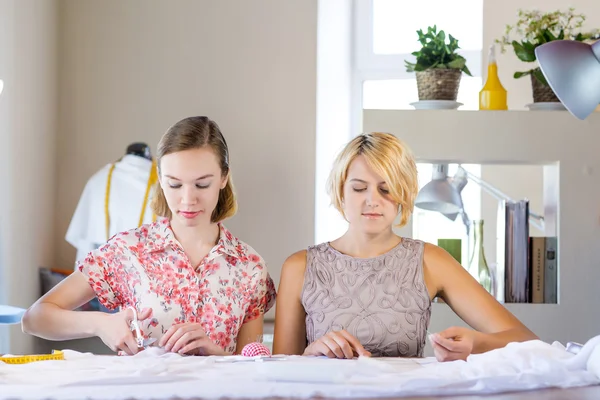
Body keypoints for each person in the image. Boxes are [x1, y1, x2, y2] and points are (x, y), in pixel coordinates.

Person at [23, 116, 276, 356]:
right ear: (161, 180)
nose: (188, 199)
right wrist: (99, 323)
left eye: (202, 184)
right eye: (175, 184)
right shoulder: (129, 250)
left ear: (223, 177)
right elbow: (35, 318)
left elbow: (252, 369)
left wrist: (217, 356)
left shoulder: (249, 266)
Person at [272, 132, 537, 361]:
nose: (372, 200)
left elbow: (525, 340)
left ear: (404, 194)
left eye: (386, 190)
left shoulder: (430, 260)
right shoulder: (300, 267)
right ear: (341, 192)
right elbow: (278, 373)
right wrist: (310, 355)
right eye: (359, 188)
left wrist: (476, 343)